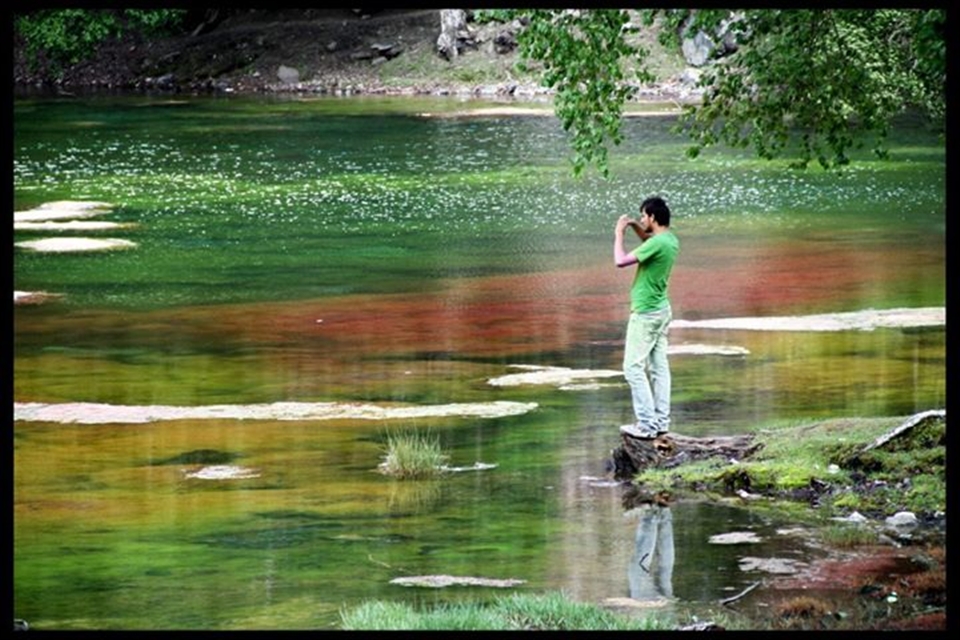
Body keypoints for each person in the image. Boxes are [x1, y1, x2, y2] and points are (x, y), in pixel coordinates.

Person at [613, 196, 679, 439]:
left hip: (646, 313)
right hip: (661, 311)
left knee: (632, 368)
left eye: (643, 216)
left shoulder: (658, 243)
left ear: (652, 217)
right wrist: (634, 226)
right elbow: (648, 241)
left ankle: (647, 425)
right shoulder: (669, 240)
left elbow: (620, 261)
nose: (641, 219)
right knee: (659, 368)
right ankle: (661, 422)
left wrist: (619, 233)